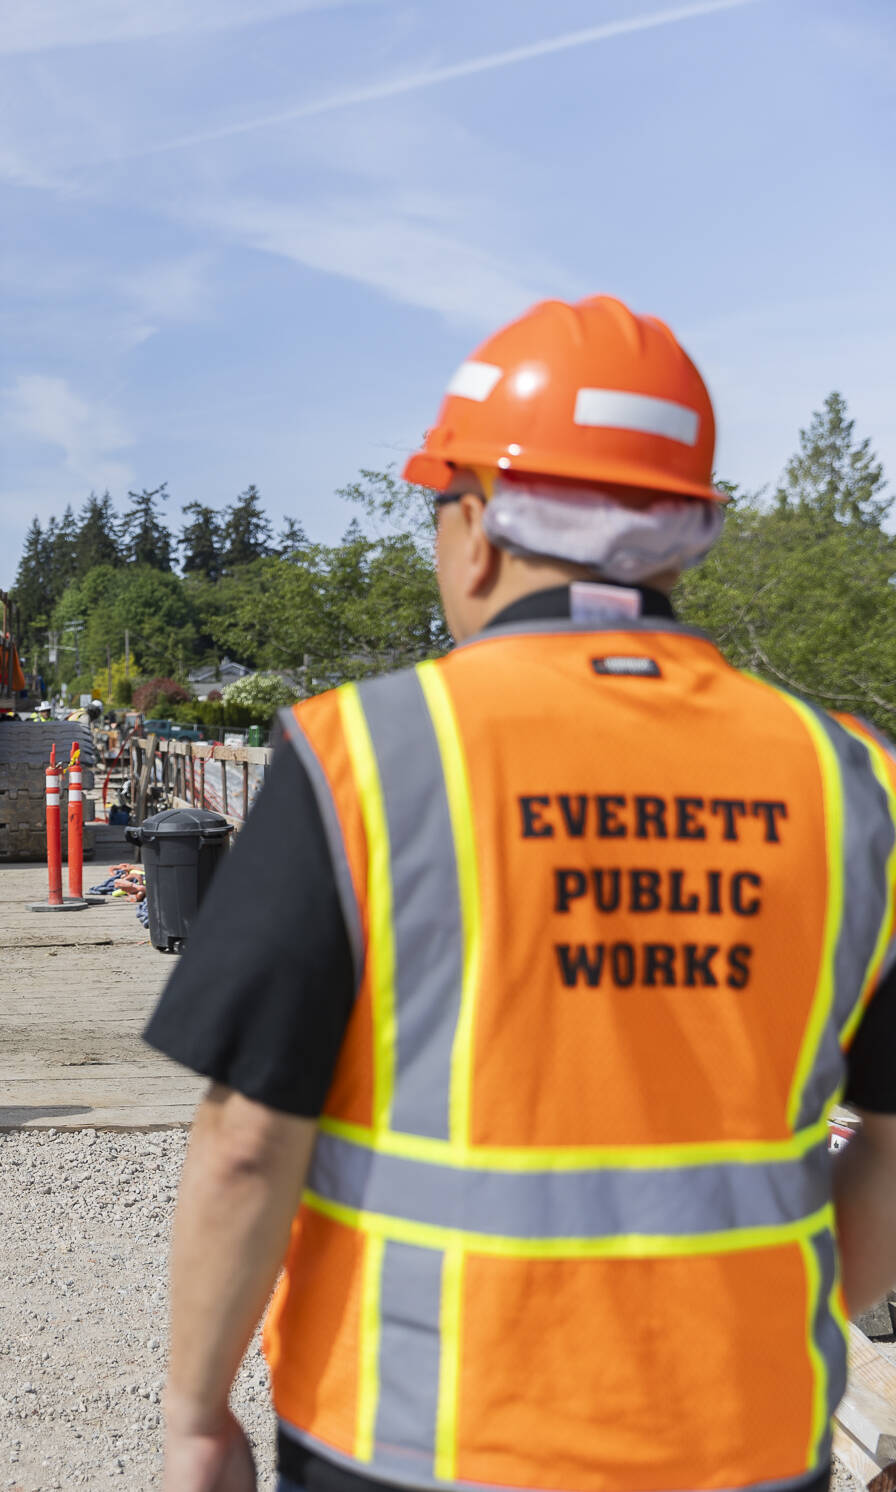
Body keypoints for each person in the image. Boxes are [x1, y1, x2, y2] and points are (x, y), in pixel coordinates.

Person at [145, 295, 896, 1492]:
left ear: (478, 524)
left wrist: (195, 1413)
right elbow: (890, 1148)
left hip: (416, 1443)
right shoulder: (851, 777)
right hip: (742, 1445)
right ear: (685, 533)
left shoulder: (365, 756)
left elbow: (246, 1143)